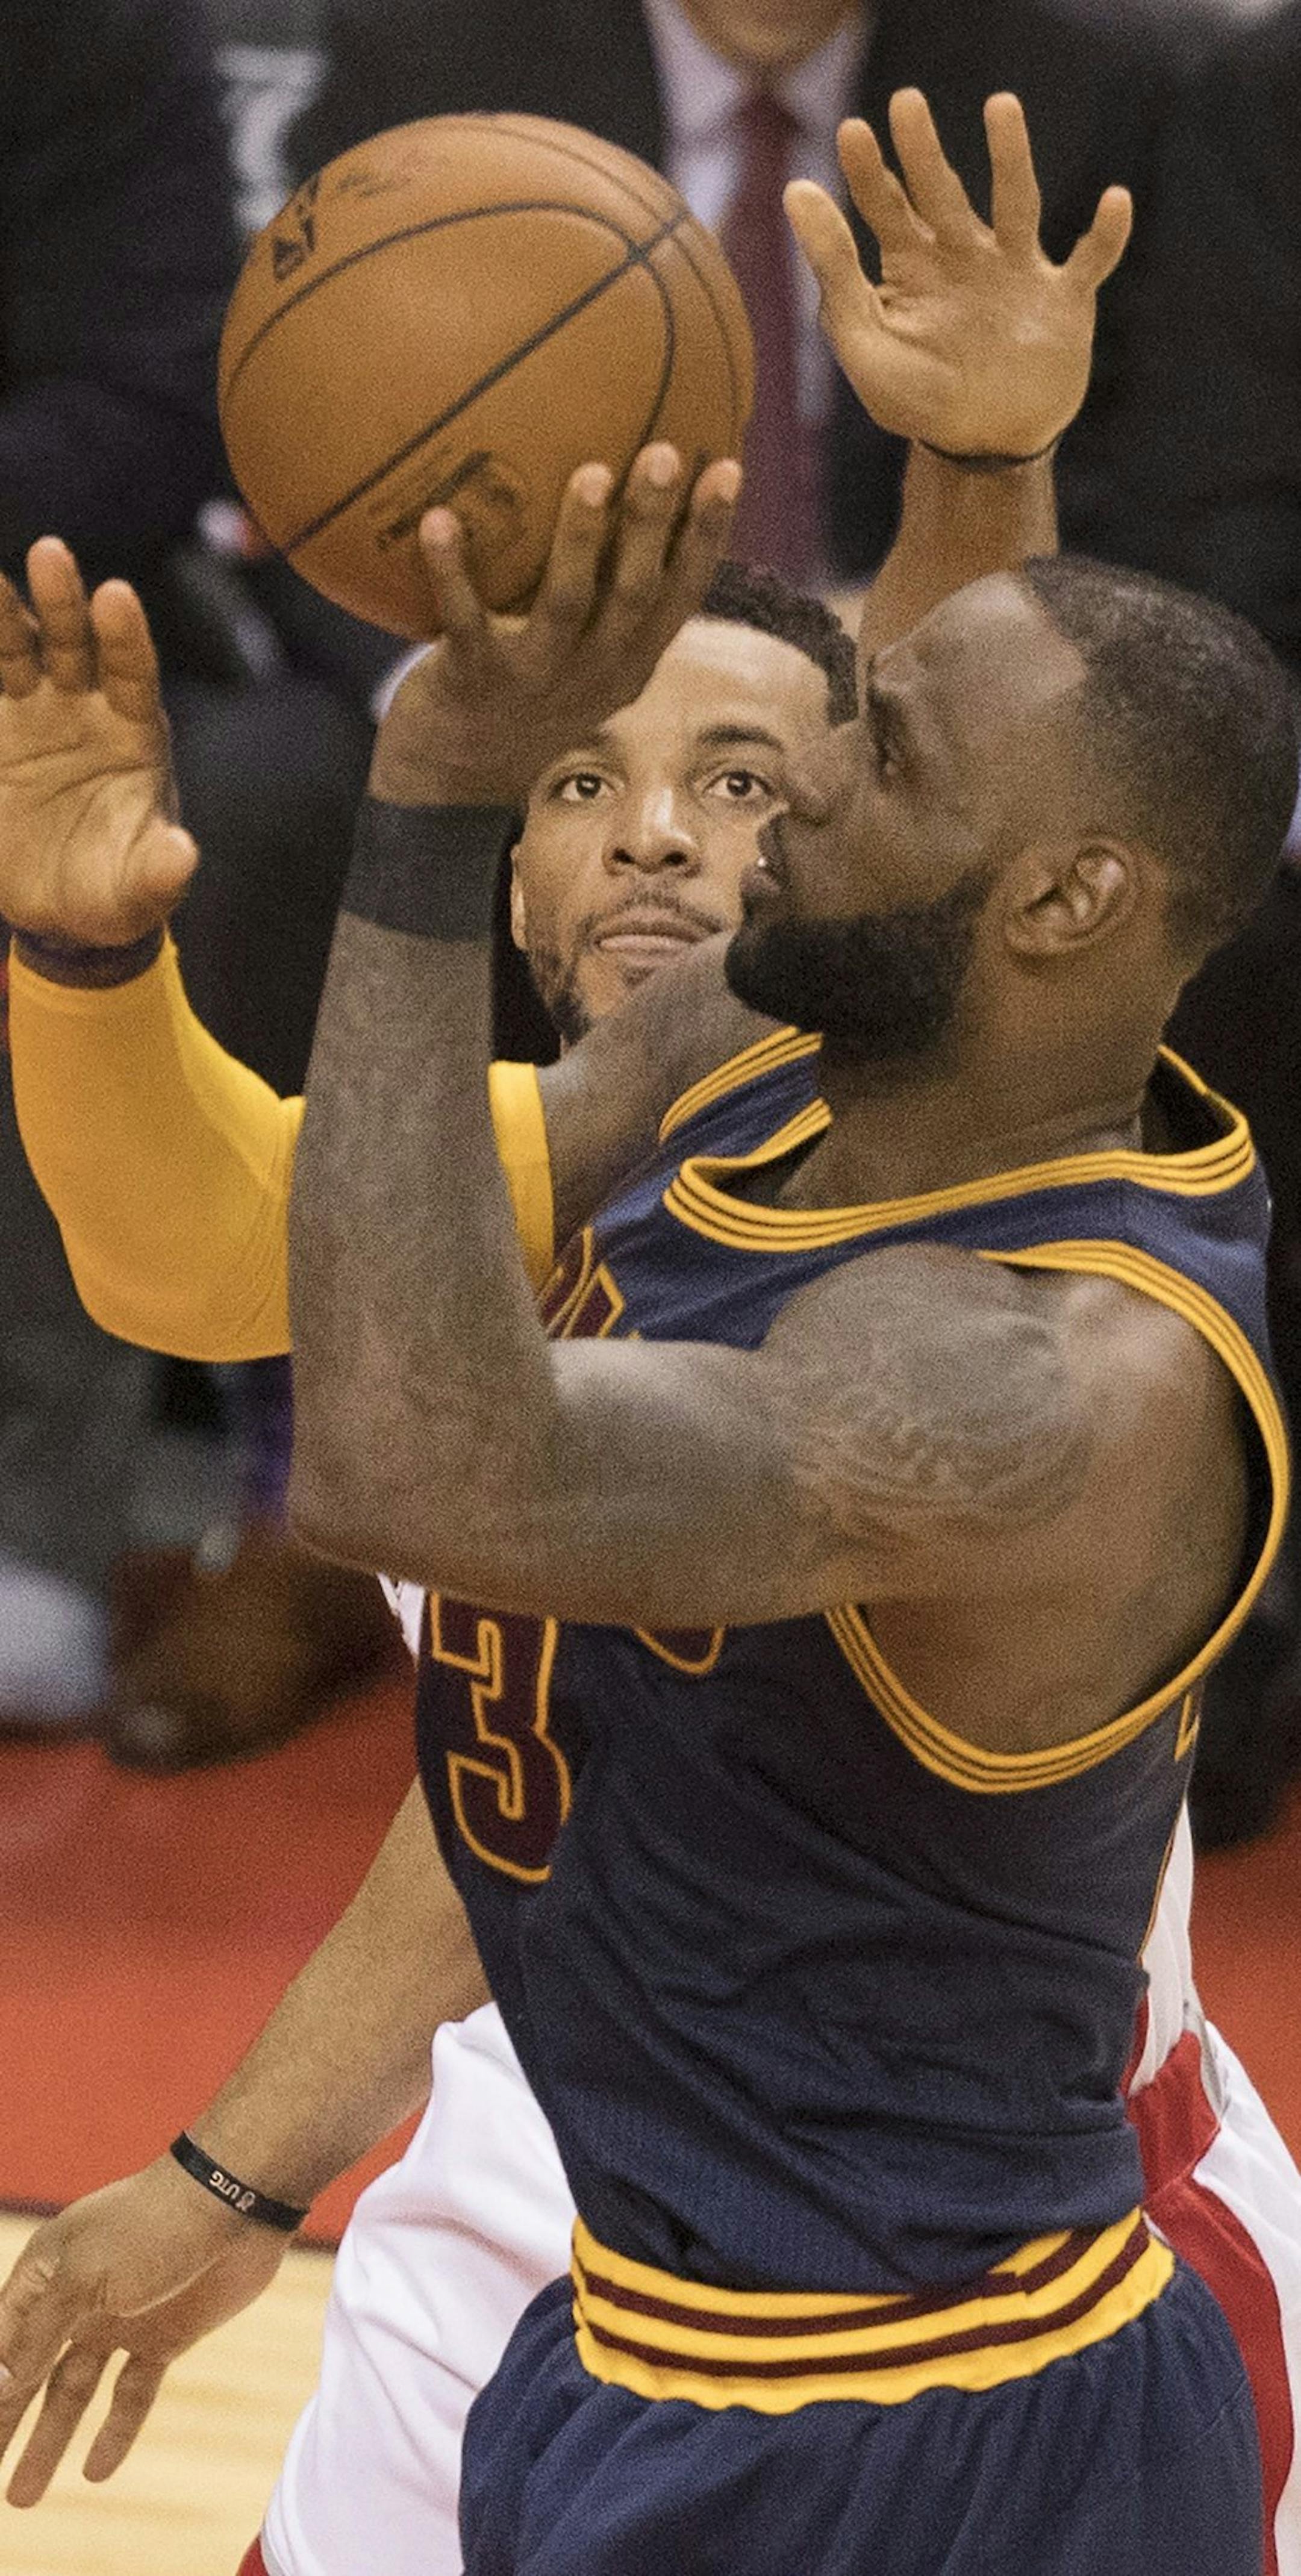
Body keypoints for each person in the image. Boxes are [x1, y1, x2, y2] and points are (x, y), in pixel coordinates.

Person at [2, 96, 1299, 2576]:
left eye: (770, 771)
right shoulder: (667, 1098)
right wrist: (86, 951)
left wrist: (417, 799)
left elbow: (413, 1459)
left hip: (949, 2339)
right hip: (590, 2239)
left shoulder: (1025, 1360)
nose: (709, 832)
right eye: (589, 776)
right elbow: (204, 1257)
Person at [289, 0, 1208, 588]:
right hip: (539, 632)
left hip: (905, 648)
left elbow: (1154, 485)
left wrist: (952, 596)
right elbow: (319, 425)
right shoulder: (429, 55)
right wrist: (452, 672)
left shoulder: (1083, 85)